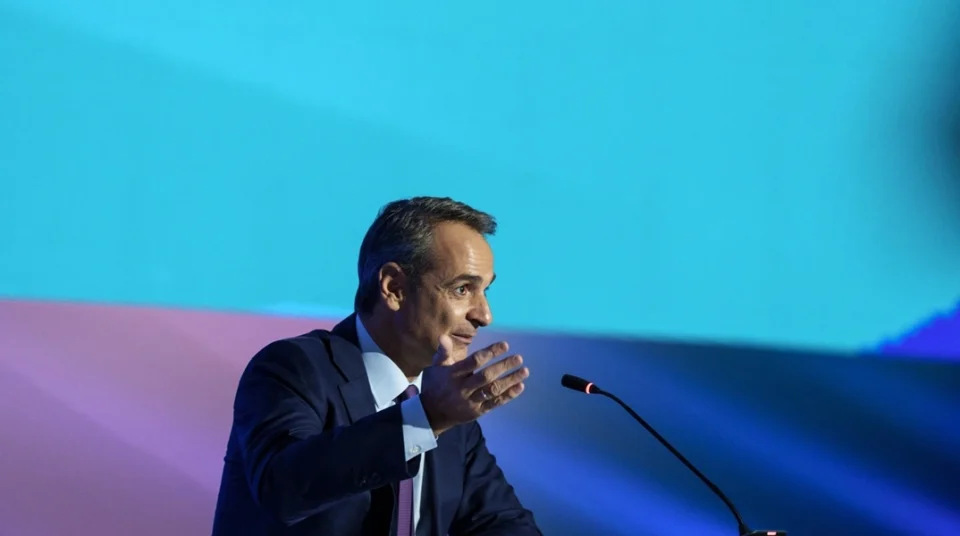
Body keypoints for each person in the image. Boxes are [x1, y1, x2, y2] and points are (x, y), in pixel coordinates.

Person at [211, 196, 542, 535]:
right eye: (462, 289)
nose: (484, 315)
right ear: (394, 288)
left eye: (485, 290)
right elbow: (282, 490)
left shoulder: (445, 406)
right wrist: (425, 418)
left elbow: (503, 523)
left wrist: (431, 415)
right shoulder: (293, 368)